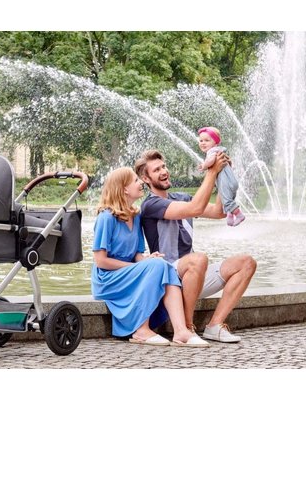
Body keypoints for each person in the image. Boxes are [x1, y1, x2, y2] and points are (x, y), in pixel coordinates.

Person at [135, 149, 257, 343]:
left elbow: (219, 212)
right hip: (168, 275)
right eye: (156, 170)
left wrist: (222, 175)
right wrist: (211, 172)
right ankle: (186, 327)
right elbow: (195, 208)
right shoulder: (150, 204)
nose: (164, 171)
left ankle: (215, 326)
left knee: (246, 263)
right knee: (198, 259)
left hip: (194, 275)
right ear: (146, 178)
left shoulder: (181, 197)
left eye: (164, 166)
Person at [91, 167, 209, 347]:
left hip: (128, 273)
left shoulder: (135, 216)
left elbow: (137, 254)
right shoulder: (106, 217)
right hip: (107, 278)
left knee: (162, 264)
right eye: (136, 181)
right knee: (157, 265)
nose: (141, 183)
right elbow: (100, 261)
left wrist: (146, 260)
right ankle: (141, 330)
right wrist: (138, 267)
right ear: (124, 189)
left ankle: (181, 331)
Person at [197, 126, 245, 226]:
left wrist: (204, 166)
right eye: (201, 140)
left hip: (225, 182)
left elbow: (211, 160)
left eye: (207, 140)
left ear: (216, 142)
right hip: (231, 181)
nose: (203, 143)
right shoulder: (220, 151)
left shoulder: (212, 151)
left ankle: (239, 215)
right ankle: (230, 216)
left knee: (227, 200)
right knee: (228, 198)